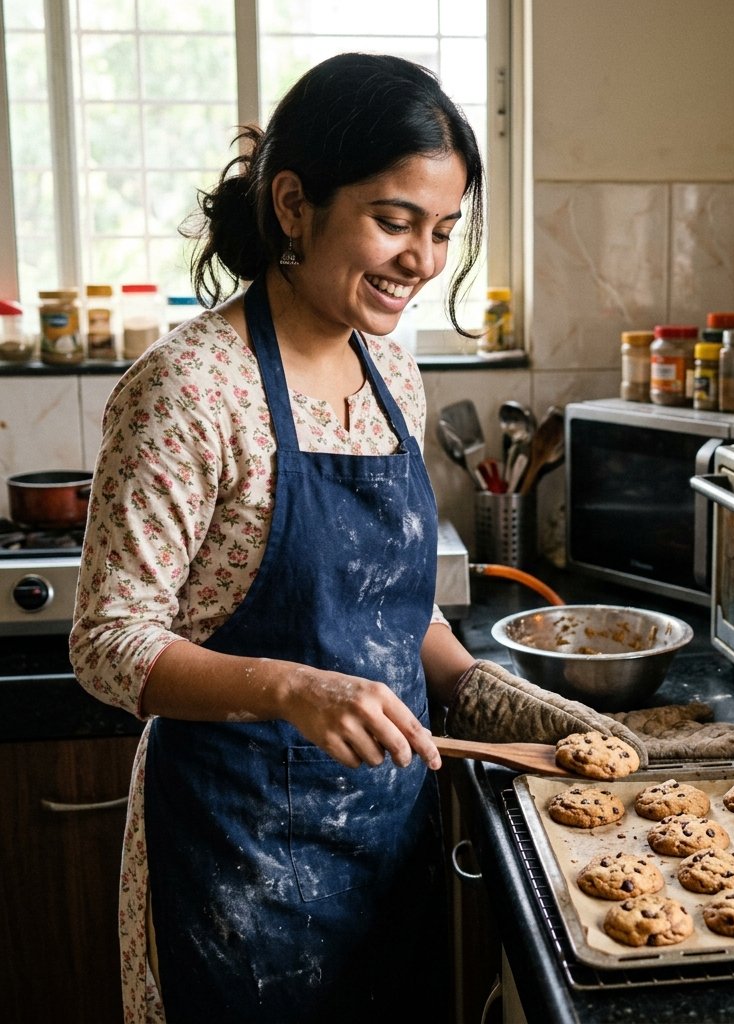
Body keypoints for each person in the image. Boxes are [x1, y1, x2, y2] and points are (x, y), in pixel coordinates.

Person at [70, 52, 645, 1023]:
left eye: (445, 231)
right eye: (394, 220)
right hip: (233, 863)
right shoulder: (192, 388)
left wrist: (487, 693)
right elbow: (107, 642)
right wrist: (291, 688)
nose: (423, 259)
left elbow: (388, 604)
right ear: (293, 204)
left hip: (383, 843)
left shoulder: (393, 369)